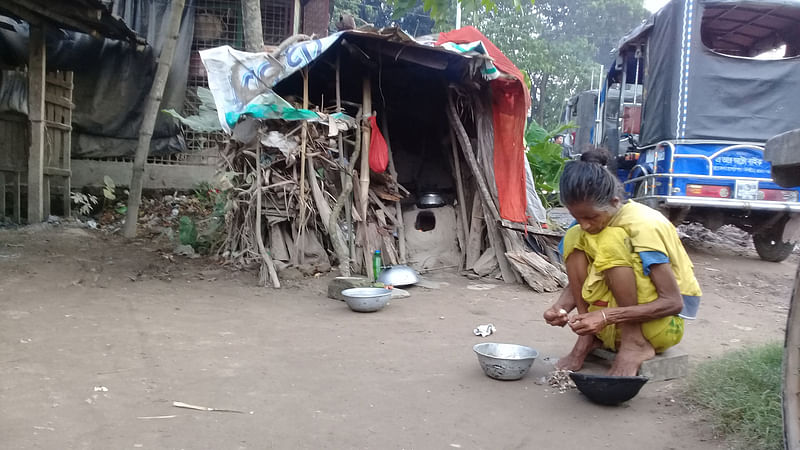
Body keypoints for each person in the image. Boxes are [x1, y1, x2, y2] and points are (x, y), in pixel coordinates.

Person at [543, 149, 701, 376]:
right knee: (573, 236)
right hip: (604, 329)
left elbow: (673, 303)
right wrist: (560, 308)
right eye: (577, 217)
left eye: (591, 217)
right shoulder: (583, 227)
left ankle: (634, 342)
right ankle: (586, 339)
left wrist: (608, 316)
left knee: (610, 239)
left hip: (658, 327)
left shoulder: (643, 224)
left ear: (614, 202)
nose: (585, 224)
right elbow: (588, 278)